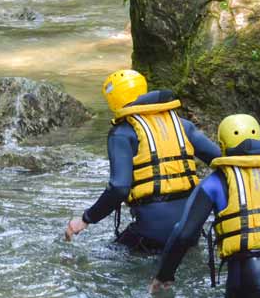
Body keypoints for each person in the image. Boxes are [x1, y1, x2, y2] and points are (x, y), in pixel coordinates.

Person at [151, 114, 260, 298]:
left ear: (222, 145)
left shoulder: (215, 182)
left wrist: (164, 275)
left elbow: (184, 233)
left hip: (248, 278)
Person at [64, 70, 219, 252]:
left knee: (102, 257)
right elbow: (223, 163)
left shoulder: (122, 133)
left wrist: (85, 219)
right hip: (190, 230)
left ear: (113, 100)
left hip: (151, 235)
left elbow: (119, 188)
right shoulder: (182, 125)